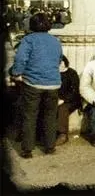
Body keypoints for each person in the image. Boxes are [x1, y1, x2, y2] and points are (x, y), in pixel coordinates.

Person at [9, 13, 63, 158]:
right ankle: (50, 146)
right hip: (53, 83)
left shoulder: (28, 40)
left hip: (33, 83)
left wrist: (16, 73)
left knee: (30, 116)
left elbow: (20, 59)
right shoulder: (55, 41)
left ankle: (27, 149)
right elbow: (59, 60)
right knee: (50, 116)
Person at [56, 56, 81, 146]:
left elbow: (74, 91)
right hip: (57, 99)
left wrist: (63, 100)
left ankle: (63, 134)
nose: (59, 65)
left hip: (71, 100)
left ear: (65, 62)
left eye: (61, 62)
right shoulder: (54, 73)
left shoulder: (72, 73)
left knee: (62, 108)